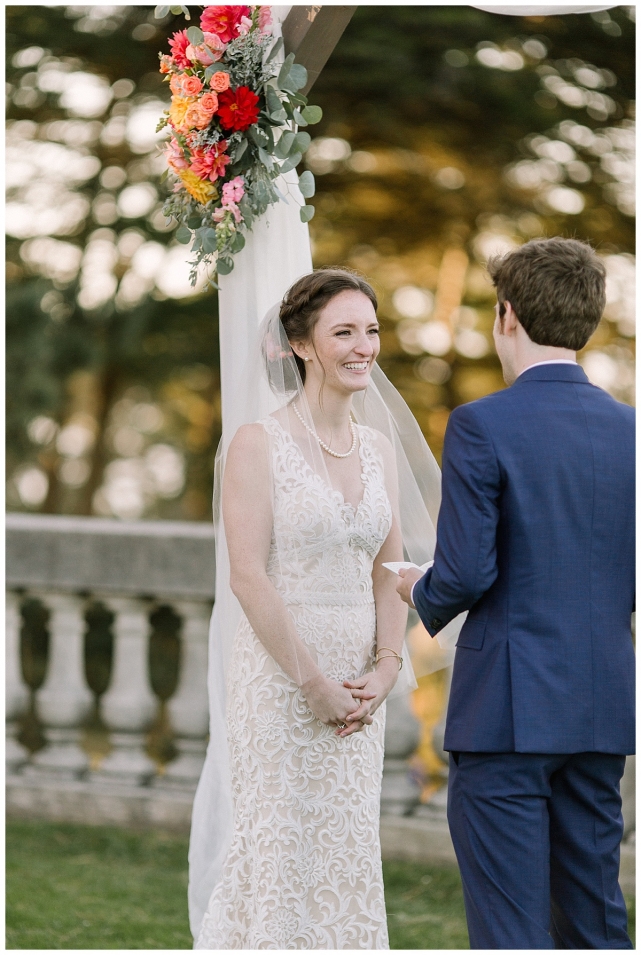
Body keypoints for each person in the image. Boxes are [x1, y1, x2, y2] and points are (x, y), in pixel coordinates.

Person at [192, 268, 451, 950]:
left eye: (369, 330)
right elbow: (248, 575)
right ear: (301, 345)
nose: (363, 346)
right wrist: (309, 681)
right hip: (281, 676)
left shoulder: (377, 447)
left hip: (358, 679)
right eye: (343, 332)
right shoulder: (257, 442)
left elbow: (390, 568)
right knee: (277, 843)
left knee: (343, 849)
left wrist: (388, 665)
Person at [397, 237, 635, 949]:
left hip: (505, 714)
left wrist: (417, 589)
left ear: (505, 315)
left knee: (511, 932)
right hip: (599, 709)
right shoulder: (633, 431)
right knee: (594, 924)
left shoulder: (481, 423)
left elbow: (465, 572)